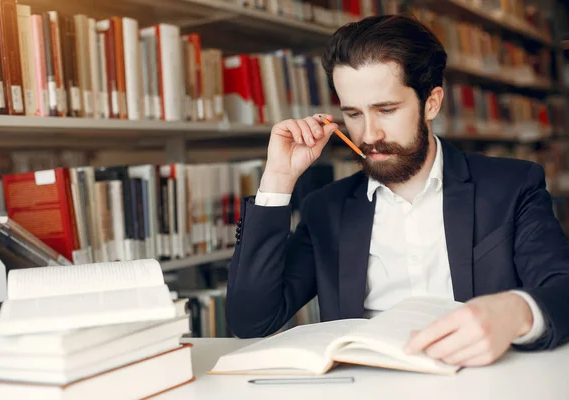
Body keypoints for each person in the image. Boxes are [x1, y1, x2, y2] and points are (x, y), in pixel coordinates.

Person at [224, 14, 569, 367]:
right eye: (353, 114)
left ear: (431, 103)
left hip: (484, 379)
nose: (369, 134)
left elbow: (562, 288)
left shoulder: (512, 186)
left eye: (386, 109)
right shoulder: (325, 208)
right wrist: (277, 181)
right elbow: (251, 321)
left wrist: (514, 312)